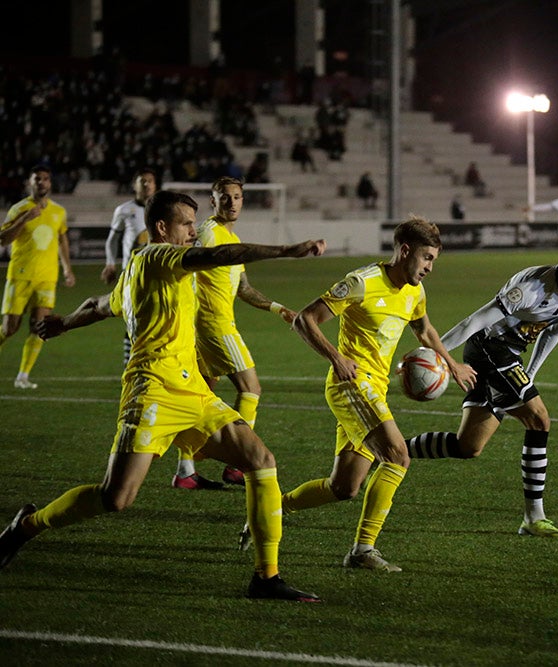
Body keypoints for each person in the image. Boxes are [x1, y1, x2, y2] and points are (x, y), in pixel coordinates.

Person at [0, 190, 326, 601]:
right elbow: (214, 257)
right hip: (151, 389)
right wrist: (287, 249)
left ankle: (266, 577)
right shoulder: (158, 257)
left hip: (191, 389)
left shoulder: (142, 268)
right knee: (115, 497)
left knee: (261, 462)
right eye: (187, 224)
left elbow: (99, 304)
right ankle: (26, 526)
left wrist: (65, 323)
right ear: (161, 228)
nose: (194, 231)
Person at [241, 217, 475, 572]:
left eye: (434, 261)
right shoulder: (361, 282)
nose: (429, 267)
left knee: (344, 486)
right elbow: (305, 319)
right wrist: (336, 358)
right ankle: (363, 550)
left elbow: (424, 330)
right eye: (426, 258)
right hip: (350, 385)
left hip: (375, 389)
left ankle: (275, 506)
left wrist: (451, 364)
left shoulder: (415, 291)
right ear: (405, 250)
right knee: (397, 456)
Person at [405, 230, 558, 538]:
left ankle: (389, 451)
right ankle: (534, 518)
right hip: (488, 348)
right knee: (539, 419)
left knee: (468, 446)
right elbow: (474, 322)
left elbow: (552, 331)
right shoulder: (532, 289)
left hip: (510, 355)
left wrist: (532, 372)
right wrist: (435, 354)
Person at [171, 177, 299, 491]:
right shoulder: (206, 232)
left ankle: (184, 471)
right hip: (213, 324)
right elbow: (185, 265)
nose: (231, 202)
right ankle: (238, 464)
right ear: (213, 201)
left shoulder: (231, 235)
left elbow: (243, 288)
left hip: (210, 325)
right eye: (224, 197)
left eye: (237, 197)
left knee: (199, 397)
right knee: (251, 388)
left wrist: (278, 308)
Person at [0, 164, 76, 389]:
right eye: (37, 179)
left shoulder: (58, 211)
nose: (41, 182)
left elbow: (62, 239)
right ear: (30, 183)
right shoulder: (19, 208)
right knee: (9, 328)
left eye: (45, 178)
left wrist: (67, 269)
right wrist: (24, 219)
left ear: (50, 183)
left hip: (47, 277)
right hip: (20, 276)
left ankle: (22, 376)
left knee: (40, 327)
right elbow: (3, 239)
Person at [101, 167, 158, 366]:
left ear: (156, 184)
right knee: (133, 317)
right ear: (134, 185)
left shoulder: (162, 208)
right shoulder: (124, 210)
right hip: (132, 272)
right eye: (142, 181)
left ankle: (153, 361)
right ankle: (129, 362)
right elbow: (113, 239)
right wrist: (110, 263)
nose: (147, 184)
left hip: (157, 272)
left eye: (150, 181)